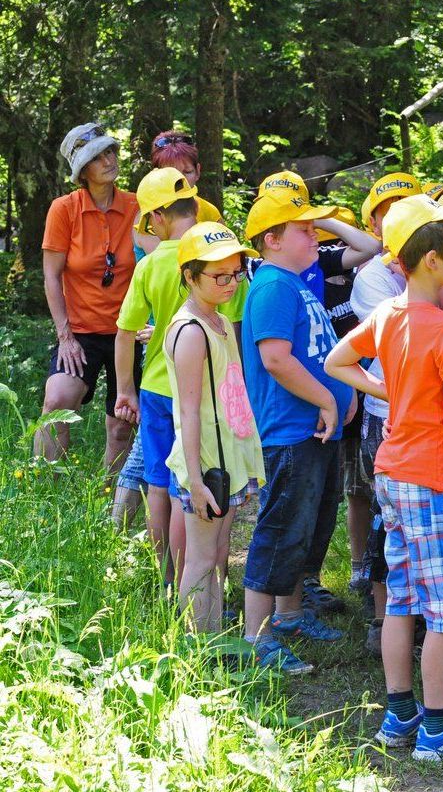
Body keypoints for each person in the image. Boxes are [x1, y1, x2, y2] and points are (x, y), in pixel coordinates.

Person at [324, 194, 443, 762]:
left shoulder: (388, 316)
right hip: (431, 478)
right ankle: (438, 729)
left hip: (392, 473)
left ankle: (399, 716)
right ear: (430, 260)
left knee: (400, 599)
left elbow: (336, 362)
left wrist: (390, 392)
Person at [239, 188, 356, 673]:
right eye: (304, 229)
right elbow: (275, 358)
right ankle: (257, 637)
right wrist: (328, 398)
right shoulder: (272, 287)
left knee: (308, 527)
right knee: (280, 529)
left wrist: (343, 398)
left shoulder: (296, 282)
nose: (315, 235)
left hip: (315, 430)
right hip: (290, 431)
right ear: (272, 238)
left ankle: (288, 615)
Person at [113, 167, 248, 590]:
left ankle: (168, 580)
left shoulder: (150, 265)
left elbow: (124, 332)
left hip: (157, 389)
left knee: (160, 484)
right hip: (212, 395)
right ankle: (210, 579)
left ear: (155, 218)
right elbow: (236, 334)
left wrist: (124, 390)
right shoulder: (223, 259)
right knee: (197, 487)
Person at [165, 222, 264, 632]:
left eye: (236, 273)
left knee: (219, 550)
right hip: (206, 466)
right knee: (201, 558)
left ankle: (214, 637)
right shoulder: (191, 332)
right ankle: (195, 651)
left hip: (227, 459)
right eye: (219, 276)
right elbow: (187, 411)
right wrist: (195, 480)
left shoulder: (219, 321)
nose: (230, 283)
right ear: (190, 276)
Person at [347, 171, 422, 656]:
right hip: (386, 412)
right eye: (388, 210)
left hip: (427, 411)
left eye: (407, 207)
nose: (398, 216)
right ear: (375, 224)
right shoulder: (372, 276)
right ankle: (382, 617)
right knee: (385, 515)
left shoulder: (439, 270)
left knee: (423, 519)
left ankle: (418, 615)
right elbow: (409, 332)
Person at [37, 123, 139, 472]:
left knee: (123, 424)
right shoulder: (64, 209)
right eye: (97, 157)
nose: (109, 159)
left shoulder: (137, 206)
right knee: (57, 403)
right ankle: (45, 494)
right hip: (80, 330)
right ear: (83, 170)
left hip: (130, 330)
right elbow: (51, 275)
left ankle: (110, 501)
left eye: (110, 151)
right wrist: (64, 336)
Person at [131, 130, 224, 261]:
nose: (181, 181)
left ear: (198, 171)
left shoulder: (210, 211)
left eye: (187, 172)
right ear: (156, 174)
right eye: (171, 173)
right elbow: (169, 265)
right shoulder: (148, 218)